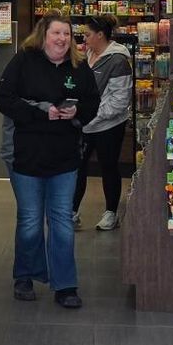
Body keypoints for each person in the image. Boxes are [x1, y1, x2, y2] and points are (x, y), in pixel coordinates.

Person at [0, 13, 88, 308]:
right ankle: (25, 275)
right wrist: (39, 111)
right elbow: (3, 99)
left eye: (67, 34)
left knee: (61, 221)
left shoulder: (79, 67)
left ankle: (65, 285)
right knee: (31, 220)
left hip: (64, 157)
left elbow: (93, 101)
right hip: (28, 155)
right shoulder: (24, 61)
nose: (62, 39)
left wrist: (78, 112)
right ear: (43, 35)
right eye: (56, 33)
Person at [74, 15, 133, 232]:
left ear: (100, 35)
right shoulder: (86, 55)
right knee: (78, 167)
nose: (84, 38)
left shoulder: (118, 61)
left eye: (87, 34)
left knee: (108, 167)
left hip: (108, 126)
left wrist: (89, 116)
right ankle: (72, 212)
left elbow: (118, 102)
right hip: (85, 124)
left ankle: (111, 213)